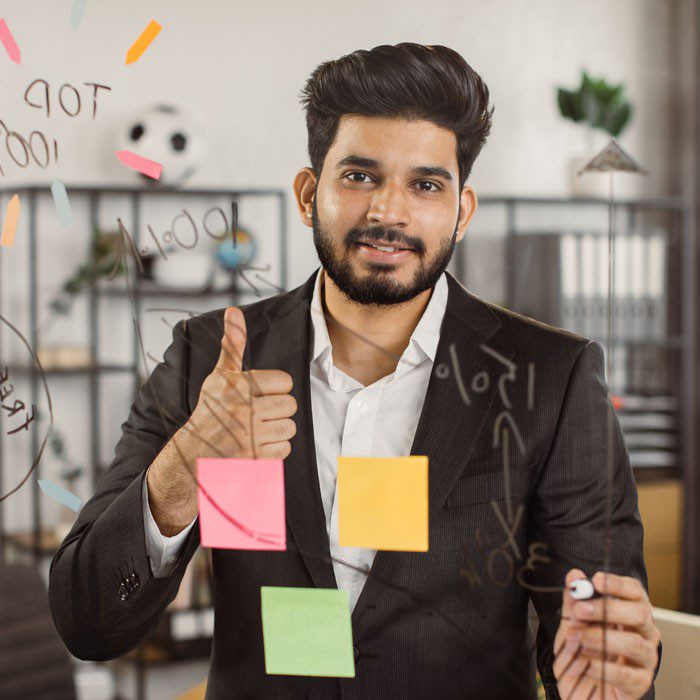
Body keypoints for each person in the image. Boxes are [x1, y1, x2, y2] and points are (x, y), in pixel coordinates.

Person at [49, 43, 661, 699]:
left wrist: (609, 673)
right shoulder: (210, 359)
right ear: (309, 194)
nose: (388, 213)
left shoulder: (553, 378)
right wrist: (184, 466)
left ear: (463, 209)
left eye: (426, 185)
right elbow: (89, 623)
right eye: (360, 176)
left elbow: (593, 642)